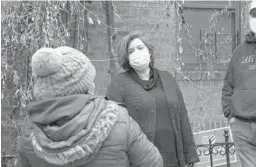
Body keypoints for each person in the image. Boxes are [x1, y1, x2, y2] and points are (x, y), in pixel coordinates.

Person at [16, 46, 163, 167]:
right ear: (83, 87)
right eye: (89, 80)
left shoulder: (30, 130)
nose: (93, 83)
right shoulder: (117, 119)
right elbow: (153, 163)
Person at [106, 31, 199, 167]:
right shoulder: (119, 84)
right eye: (131, 51)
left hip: (173, 155)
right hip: (141, 159)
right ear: (126, 57)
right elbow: (114, 126)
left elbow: (182, 117)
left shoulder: (167, 79)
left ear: (149, 51)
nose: (137, 53)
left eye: (140, 48)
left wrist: (189, 154)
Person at [221, 1, 256, 166]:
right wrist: (231, 116)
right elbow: (228, 85)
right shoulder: (239, 52)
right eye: (254, 14)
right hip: (242, 127)